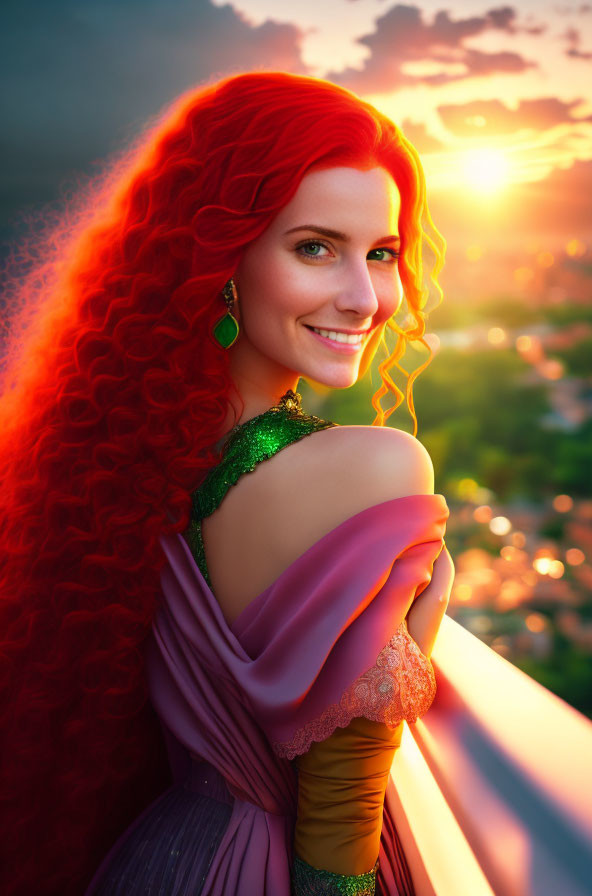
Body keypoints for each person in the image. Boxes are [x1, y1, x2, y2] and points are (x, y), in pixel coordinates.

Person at [0, 71, 454, 895]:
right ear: (221, 255)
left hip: (161, 858)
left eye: (381, 254)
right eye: (316, 247)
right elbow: (340, 818)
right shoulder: (375, 468)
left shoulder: (121, 457)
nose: (364, 298)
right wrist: (394, 671)